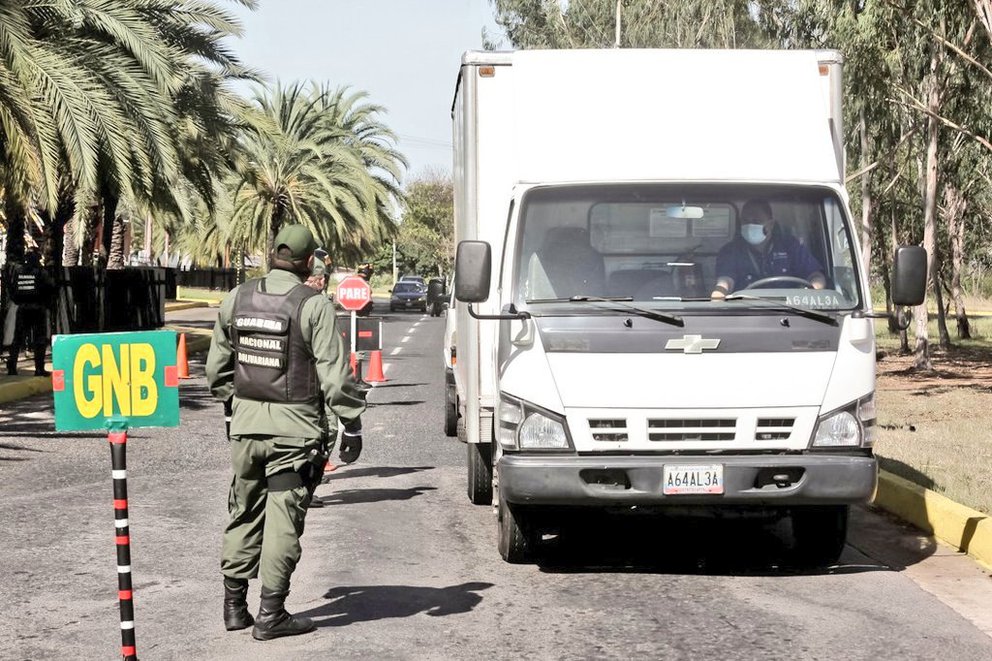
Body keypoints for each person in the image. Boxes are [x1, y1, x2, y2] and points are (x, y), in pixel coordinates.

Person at [206, 224, 367, 640]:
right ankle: (271, 614)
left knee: (243, 510)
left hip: (245, 430)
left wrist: (235, 405)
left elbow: (217, 370)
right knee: (282, 521)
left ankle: (234, 608)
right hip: (293, 435)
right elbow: (335, 378)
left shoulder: (236, 297)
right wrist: (351, 423)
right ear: (307, 261)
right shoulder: (312, 306)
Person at [711, 199, 827, 299]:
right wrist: (719, 294)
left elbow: (816, 276)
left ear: (770, 224)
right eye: (746, 221)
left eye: (756, 221)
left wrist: (811, 293)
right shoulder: (730, 251)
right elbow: (725, 281)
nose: (750, 225)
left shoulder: (790, 246)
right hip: (744, 314)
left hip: (791, 312)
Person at [5, 250, 54, 376]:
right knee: (39, 339)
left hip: (22, 309)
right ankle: (39, 369)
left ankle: (12, 367)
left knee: (18, 339)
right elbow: (51, 286)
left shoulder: (19, 272)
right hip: (37, 309)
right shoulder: (40, 272)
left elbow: (13, 289)